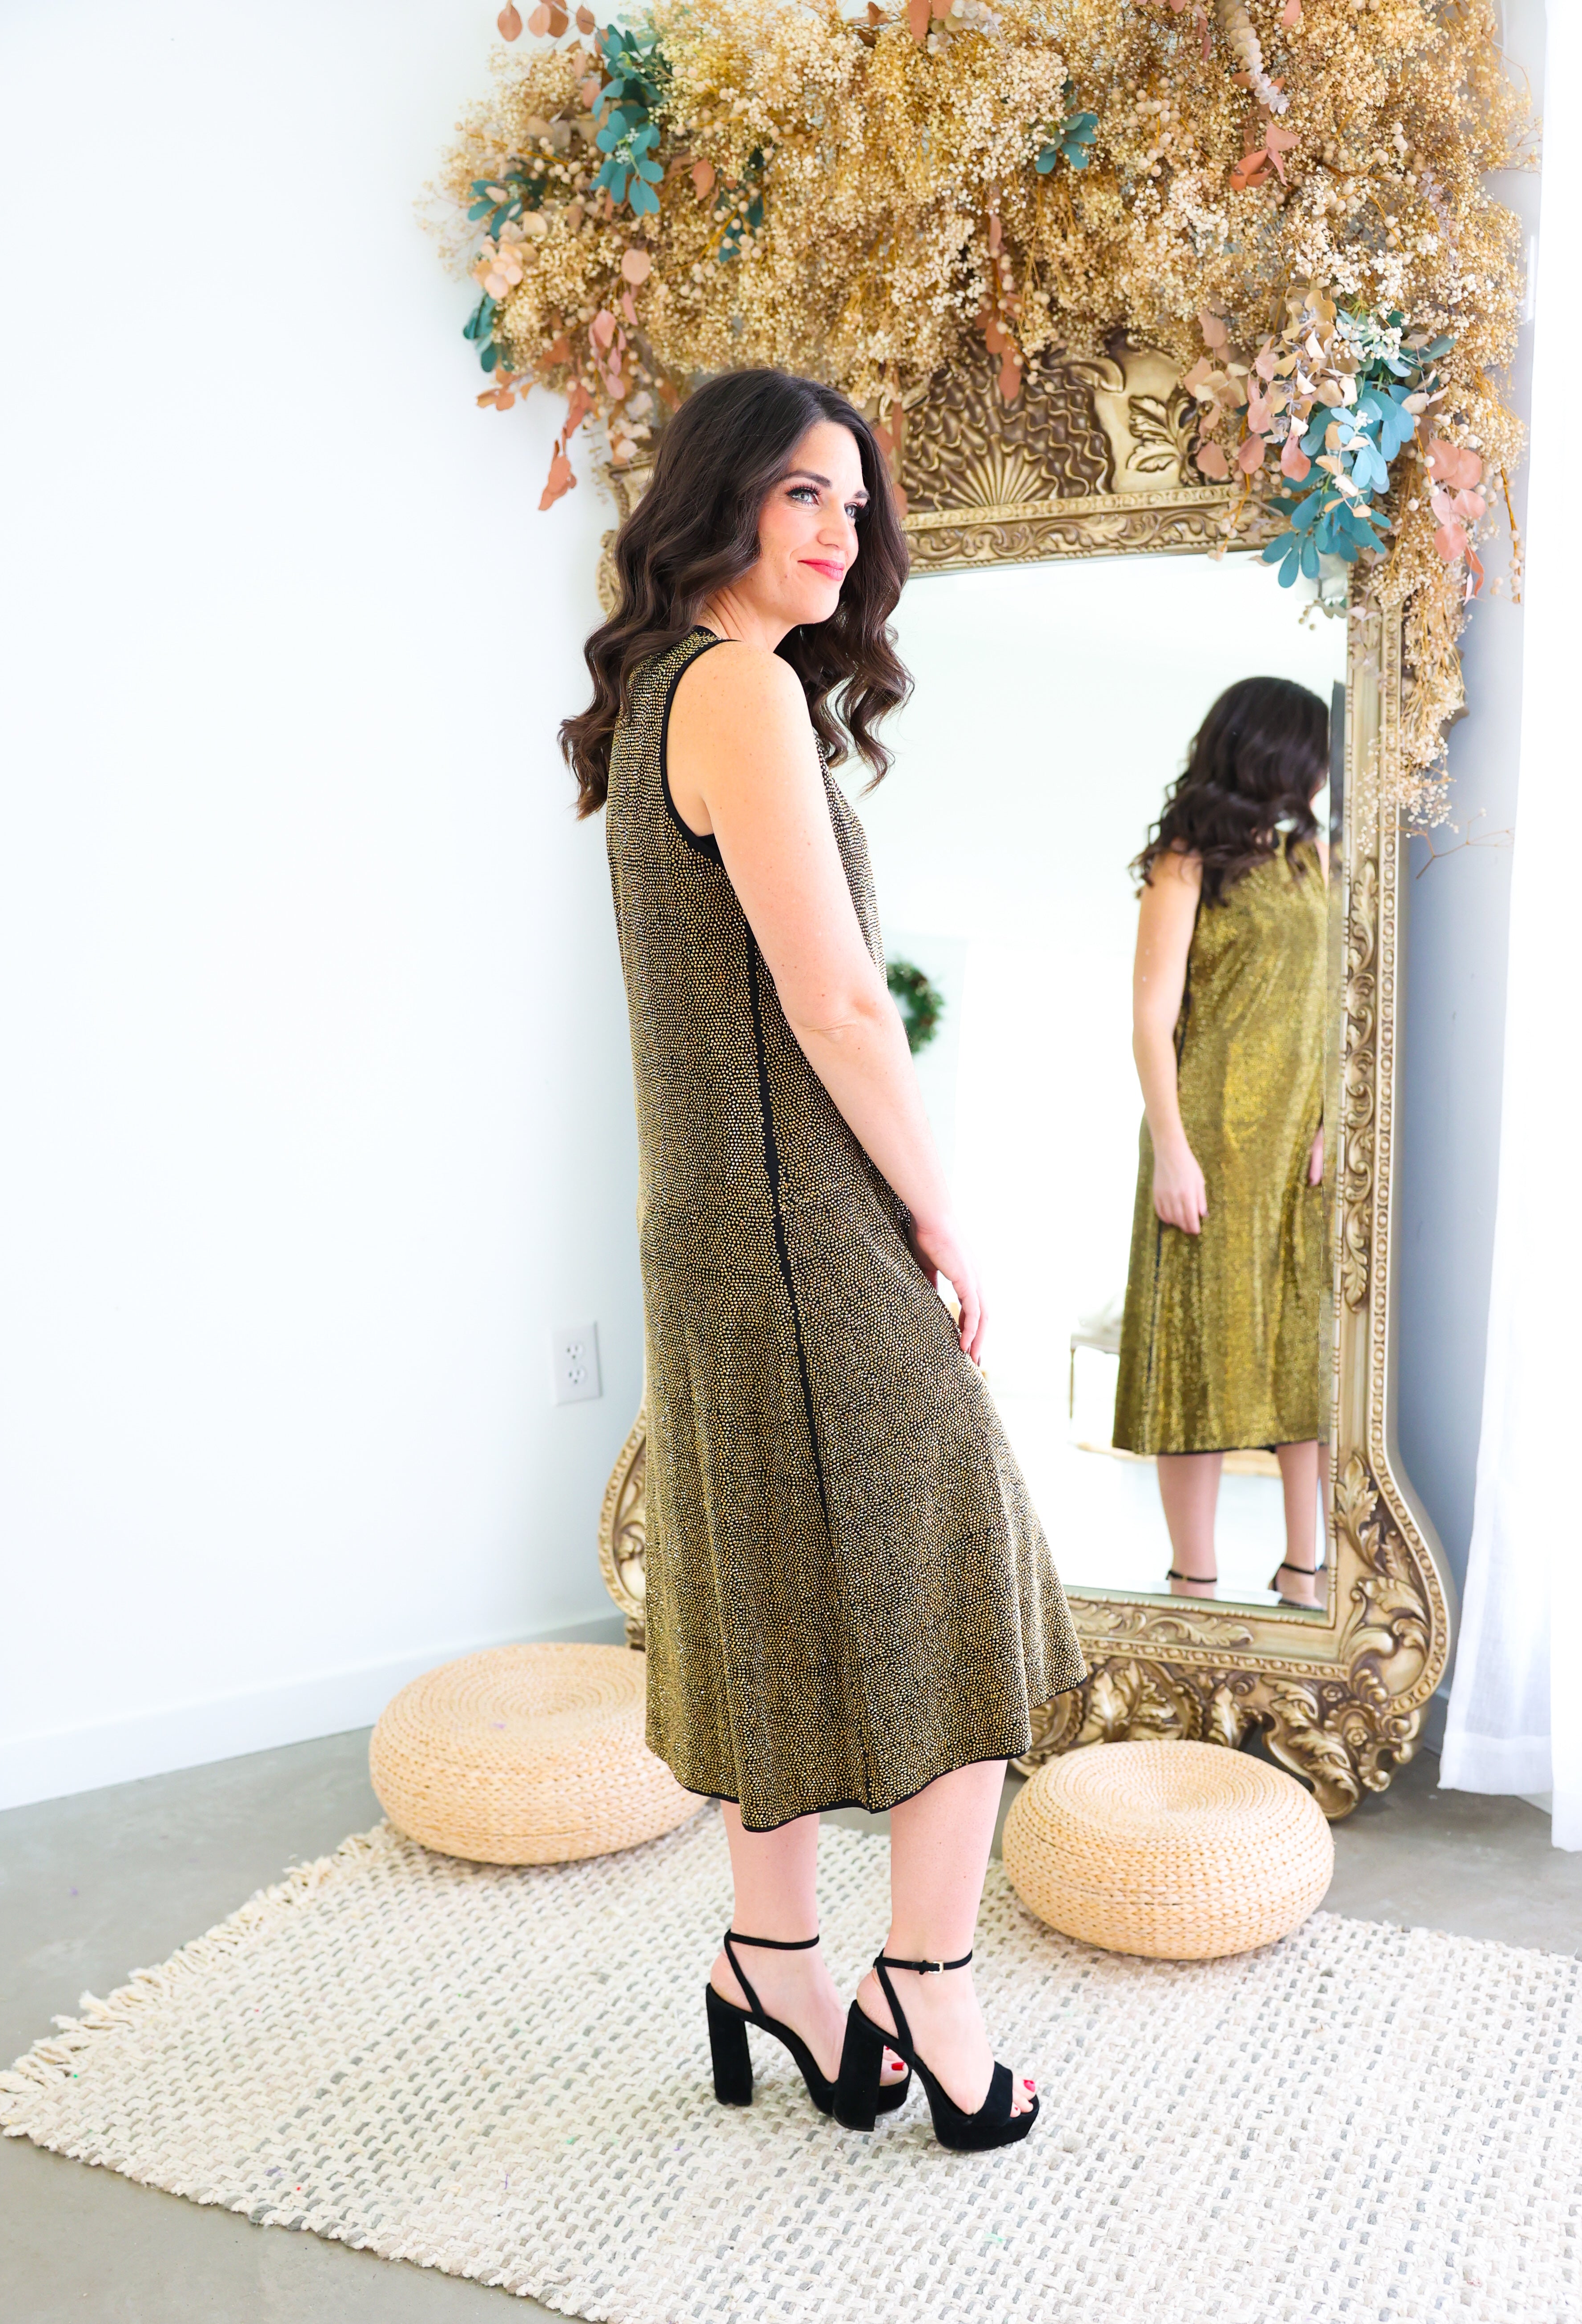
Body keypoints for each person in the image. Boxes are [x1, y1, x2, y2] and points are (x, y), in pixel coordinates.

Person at [560, 368, 1084, 2154]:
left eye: (854, 506)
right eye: (802, 493)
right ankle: (925, 1984)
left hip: (713, 1226)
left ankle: (768, 1963)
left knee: (768, 1598)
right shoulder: (738, 692)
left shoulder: (664, 693)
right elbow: (841, 1002)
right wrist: (940, 1213)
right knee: (966, 1580)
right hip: (796, 1225)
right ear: (718, 499)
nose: (838, 532)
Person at [1112, 675, 1330, 1610]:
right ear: (1276, 750)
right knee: (1193, 1356)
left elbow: (1349, 1008)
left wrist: (1336, 1121)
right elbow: (1151, 1020)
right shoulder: (1186, 861)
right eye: (1316, 750)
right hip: (1205, 1138)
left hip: (1300, 1149)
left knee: (1309, 1358)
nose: (1325, 769)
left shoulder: (1320, 860)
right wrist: (1173, 1149)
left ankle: (1306, 1567)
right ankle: (1192, 1579)